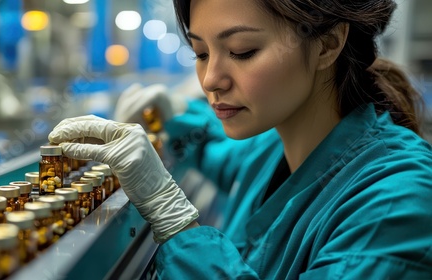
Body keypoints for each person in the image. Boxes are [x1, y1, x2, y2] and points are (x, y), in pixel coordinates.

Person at [48, 0, 432, 278]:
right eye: (200, 52)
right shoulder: (274, 146)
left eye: (241, 51)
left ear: (328, 44)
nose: (211, 80)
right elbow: (218, 147)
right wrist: (175, 117)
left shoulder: (395, 202)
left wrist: (176, 222)